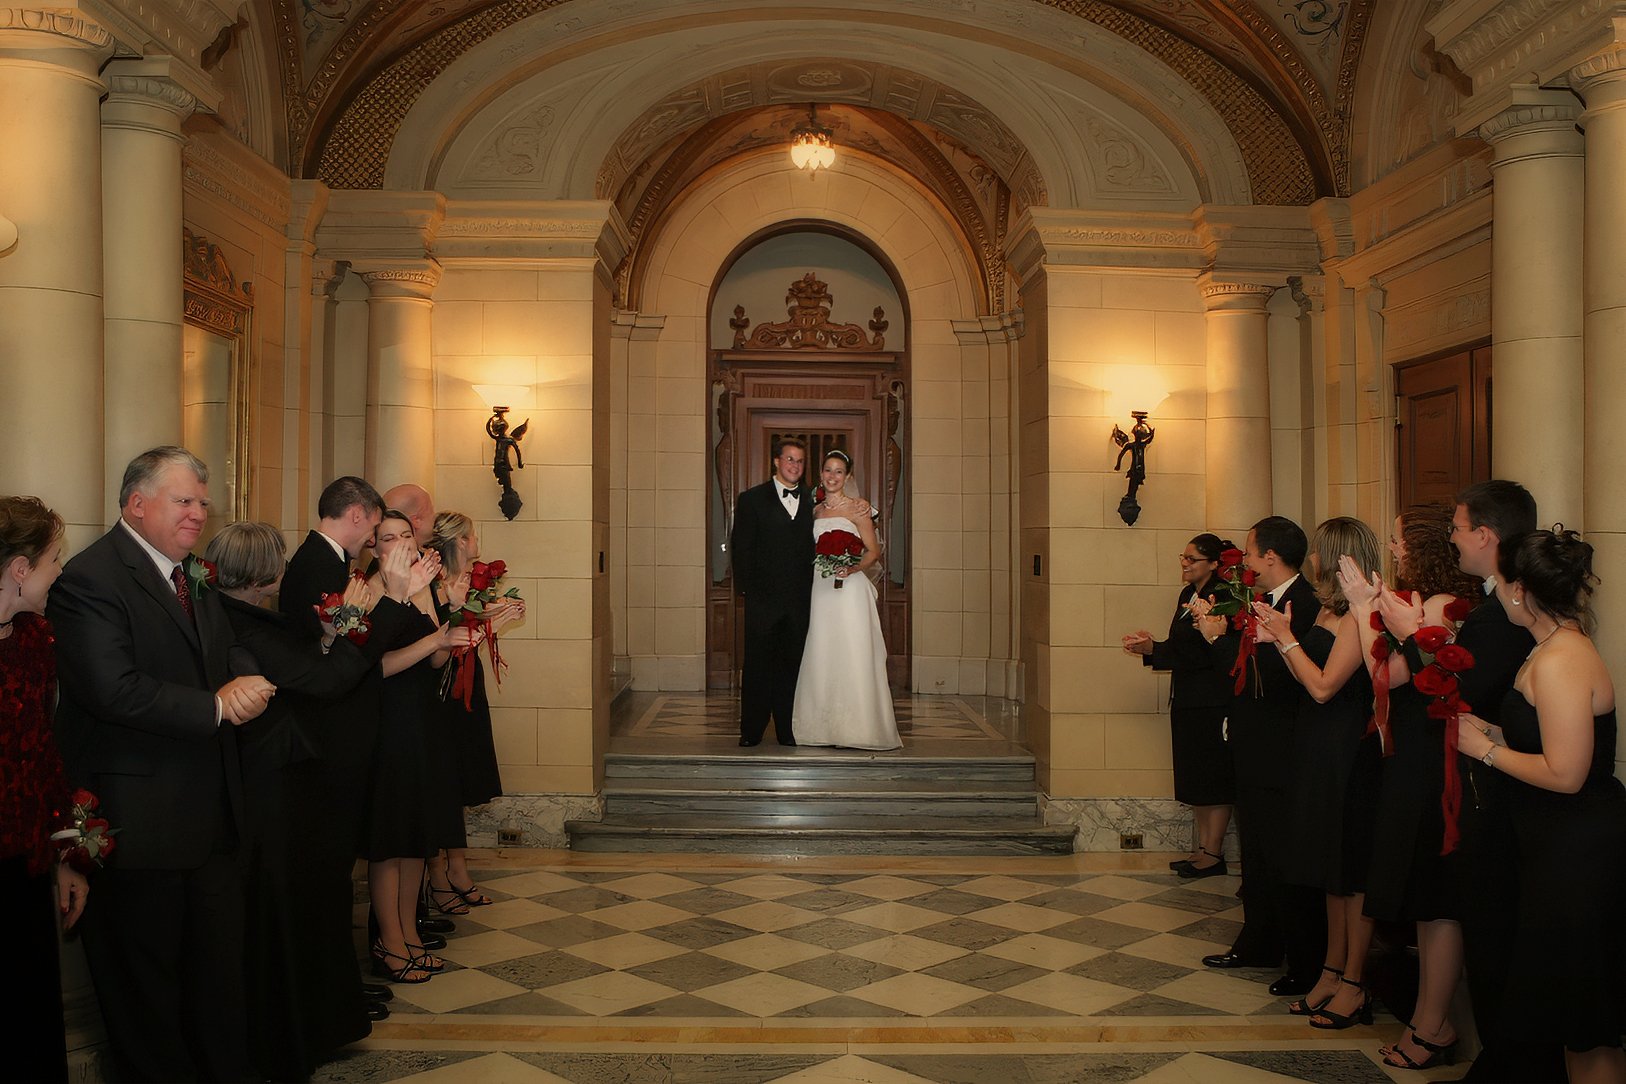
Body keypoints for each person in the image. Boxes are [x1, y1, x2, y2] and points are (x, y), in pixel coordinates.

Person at [49, 446, 275, 1081]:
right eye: (185, 501)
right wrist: (215, 708)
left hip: (211, 820)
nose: (199, 513)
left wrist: (248, 677)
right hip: (142, 824)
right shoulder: (92, 579)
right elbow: (109, 687)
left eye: (203, 502)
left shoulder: (191, 572)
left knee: (217, 985)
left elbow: (227, 652)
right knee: (149, 996)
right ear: (135, 504)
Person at [206, 521, 426, 1080]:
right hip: (275, 788)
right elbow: (325, 683)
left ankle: (317, 1019)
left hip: (283, 782)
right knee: (291, 909)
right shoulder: (244, 627)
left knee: (306, 907)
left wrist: (333, 635)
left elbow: (313, 666)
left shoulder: (241, 617)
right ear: (265, 572)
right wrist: (392, 602)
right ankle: (295, 1030)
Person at [1367, 483, 1545, 1077]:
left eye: (1458, 527)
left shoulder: (1501, 615)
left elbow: (1457, 693)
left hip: (1481, 783)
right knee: (1445, 906)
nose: (1451, 537)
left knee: (1475, 924)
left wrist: (1410, 633)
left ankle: (1475, 1045)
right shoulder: (1492, 606)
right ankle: (1450, 1030)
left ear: (1485, 535)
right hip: (1456, 771)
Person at [1456, 528, 1626, 1084]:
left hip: (1579, 851)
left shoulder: (1562, 658)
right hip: (1553, 848)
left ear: (1519, 590)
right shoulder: (1550, 647)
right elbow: (1546, 737)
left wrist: (1484, 751)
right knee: (1565, 1010)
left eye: (1501, 581)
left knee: (1585, 1018)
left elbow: (1567, 773)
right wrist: (1496, 732)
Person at [278, 475, 401, 1016]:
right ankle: (330, 992)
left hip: (341, 733)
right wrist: (391, 600)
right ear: (357, 514)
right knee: (326, 875)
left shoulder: (330, 565)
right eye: (375, 523)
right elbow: (343, 657)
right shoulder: (317, 567)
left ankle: (338, 985)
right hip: (328, 737)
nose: (375, 536)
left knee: (335, 874)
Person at [1253, 517, 1381, 1029]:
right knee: (1329, 870)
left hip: (1346, 747)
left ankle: (1354, 982)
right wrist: (1276, 640)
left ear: (1336, 556)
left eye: (1318, 552)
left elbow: (1326, 686)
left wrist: (1285, 640)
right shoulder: (1329, 608)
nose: (1310, 560)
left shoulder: (1359, 616)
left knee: (1350, 872)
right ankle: (1329, 973)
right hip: (1317, 742)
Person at [1194, 516, 1324, 998]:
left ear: (1271, 556)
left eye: (1249, 554)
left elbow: (1283, 671)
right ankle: (1260, 940)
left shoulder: (1306, 605)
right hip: (1253, 740)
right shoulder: (1260, 600)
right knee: (1256, 852)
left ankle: (1301, 956)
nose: (1244, 563)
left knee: (1282, 854)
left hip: (1282, 748)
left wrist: (1214, 637)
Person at [363, 510, 478, 983]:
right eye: (388, 538)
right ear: (374, 546)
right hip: (385, 717)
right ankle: (389, 940)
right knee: (389, 839)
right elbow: (375, 666)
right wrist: (432, 627)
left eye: (406, 535)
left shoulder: (420, 583)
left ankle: (409, 932)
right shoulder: (372, 589)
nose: (400, 545)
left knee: (415, 836)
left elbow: (434, 659)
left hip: (419, 715)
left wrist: (445, 608)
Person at [0, 496, 88, 1082]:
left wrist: (69, 851)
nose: (61, 570)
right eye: (55, 558)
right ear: (22, 568)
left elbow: (45, 751)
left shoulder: (36, 638)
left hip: (24, 861)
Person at [423, 511, 525, 913]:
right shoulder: (431, 583)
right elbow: (437, 638)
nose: (476, 539)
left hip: (466, 678)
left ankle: (458, 868)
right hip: (439, 688)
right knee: (441, 781)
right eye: (472, 534)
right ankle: (440, 874)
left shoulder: (476, 579)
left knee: (462, 772)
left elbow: (471, 636)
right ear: (459, 541)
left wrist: (496, 618)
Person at [1122, 533, 1235, 877]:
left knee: (1213, 776)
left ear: (1214, 564)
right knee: (1194, 776)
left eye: (1192, 559)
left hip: (1212, 699)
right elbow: (1180, 645)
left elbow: (1209, 650)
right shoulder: (1188, 594)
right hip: (1187, 696)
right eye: (1183, 558)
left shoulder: (1225, 596)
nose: (1185, 564)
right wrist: (1152, 647)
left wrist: (1156, 651)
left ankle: (1213, 853)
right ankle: (1200, 848)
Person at [791, 450, 900, 750]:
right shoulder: (814, 511)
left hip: (849, 589)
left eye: (839, 471)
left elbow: (874, 551)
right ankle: (821, 727)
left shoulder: (859, 510)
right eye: (828, 470)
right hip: (821, 588)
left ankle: (858, 728)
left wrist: (852, 567)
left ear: (848, 477)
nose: (833, 476)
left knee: (852, 651)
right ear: (821, 474)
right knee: (822, 650)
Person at [730, 437, 814, 747]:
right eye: (790, 459)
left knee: (791, 668)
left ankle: (786, 730)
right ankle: (751, 731)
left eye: (800, 461)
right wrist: (749, 593)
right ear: (776, 462)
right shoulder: (751, 499)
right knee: (757, 668)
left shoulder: (811, 500)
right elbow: (742, 550)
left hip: (799, 603)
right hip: (762, 603)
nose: (795, 465)